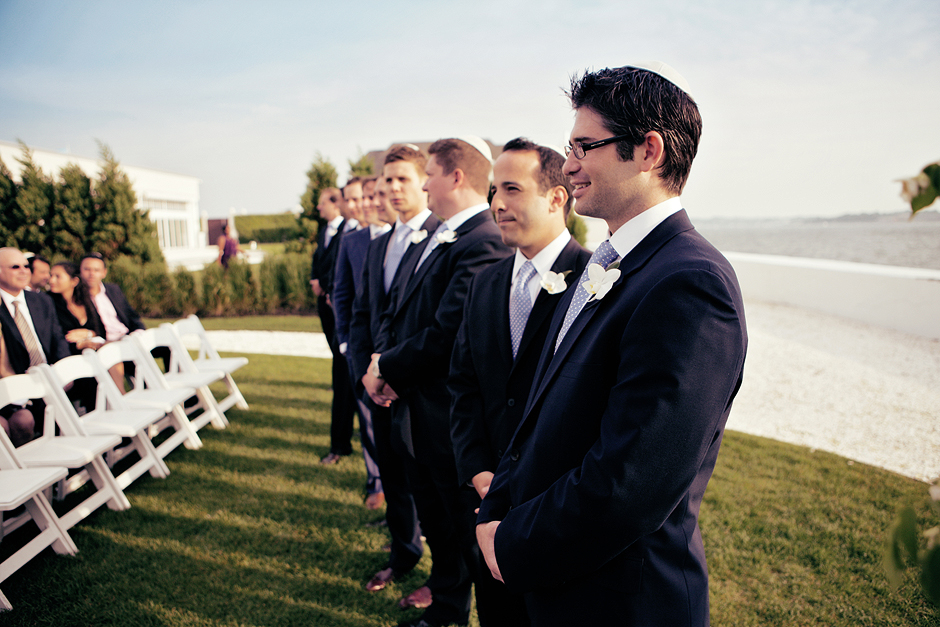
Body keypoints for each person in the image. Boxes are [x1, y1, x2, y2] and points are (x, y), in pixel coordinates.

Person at [475, 63, 748, 627]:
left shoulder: (689, 283)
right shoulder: (610, 265)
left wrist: (512, 542)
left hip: (621, 599)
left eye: (584, 146)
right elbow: (547, 414)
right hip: (562, 581)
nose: (569, 163)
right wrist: (498, 504)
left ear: (648, 151)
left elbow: (632, 479)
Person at [364, 137, 512, 627]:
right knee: (441, 531)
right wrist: (383, 362)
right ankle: (446, 612)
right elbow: (400, 309)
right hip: (416, 411)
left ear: (456, 177)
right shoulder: (438, 235)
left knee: (468, 538)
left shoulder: (484, 241)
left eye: (429, 173)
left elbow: (448, 333)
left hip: (450, 420)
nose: (423, 182)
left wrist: (385, 368)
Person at [447, 138, 589, 626]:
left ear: (556, 198)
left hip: (553, 510)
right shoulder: (484, 282)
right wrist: (478, 470)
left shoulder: (596, 280)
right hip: (486, 505)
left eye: (512, 189)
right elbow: (464, 386)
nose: (496, 204)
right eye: (493, 190)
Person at [349, 145, 437, 601]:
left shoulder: (444, 238)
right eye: (386, 180)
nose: (391, 188)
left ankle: (443, 577)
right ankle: (403, 553)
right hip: (376, 388)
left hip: (421, 390)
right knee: (395, 482)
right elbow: (364, 313)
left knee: (433, 491)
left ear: (424, 181)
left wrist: (396, 373)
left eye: (402, 179)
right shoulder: (378, 242)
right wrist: (366, 375)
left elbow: (438, 326)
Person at [332, 175, 389, 507]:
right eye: (362, 198)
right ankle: (376, 481)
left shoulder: (407, 239)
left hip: (393, 349)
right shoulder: (352, 241)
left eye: (371, 196)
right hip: (359, 347)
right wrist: (344, 342)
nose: (367, 204)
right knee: (367, 421)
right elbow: (341, 293)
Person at [0, 247, 70, 446]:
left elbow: (57, 339)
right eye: (15, 267)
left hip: (50, 379)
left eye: (26, 266)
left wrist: (63, 371)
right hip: (16, 387)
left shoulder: (41, 300)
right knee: (22, 421)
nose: (24, 271)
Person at [319, 180, 363, 465]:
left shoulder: (369, 234)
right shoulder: (343, 232)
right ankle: (339, 444)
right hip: (343, 325)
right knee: (342, 387)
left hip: (362, 328)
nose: (355, 205)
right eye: (350, 199)